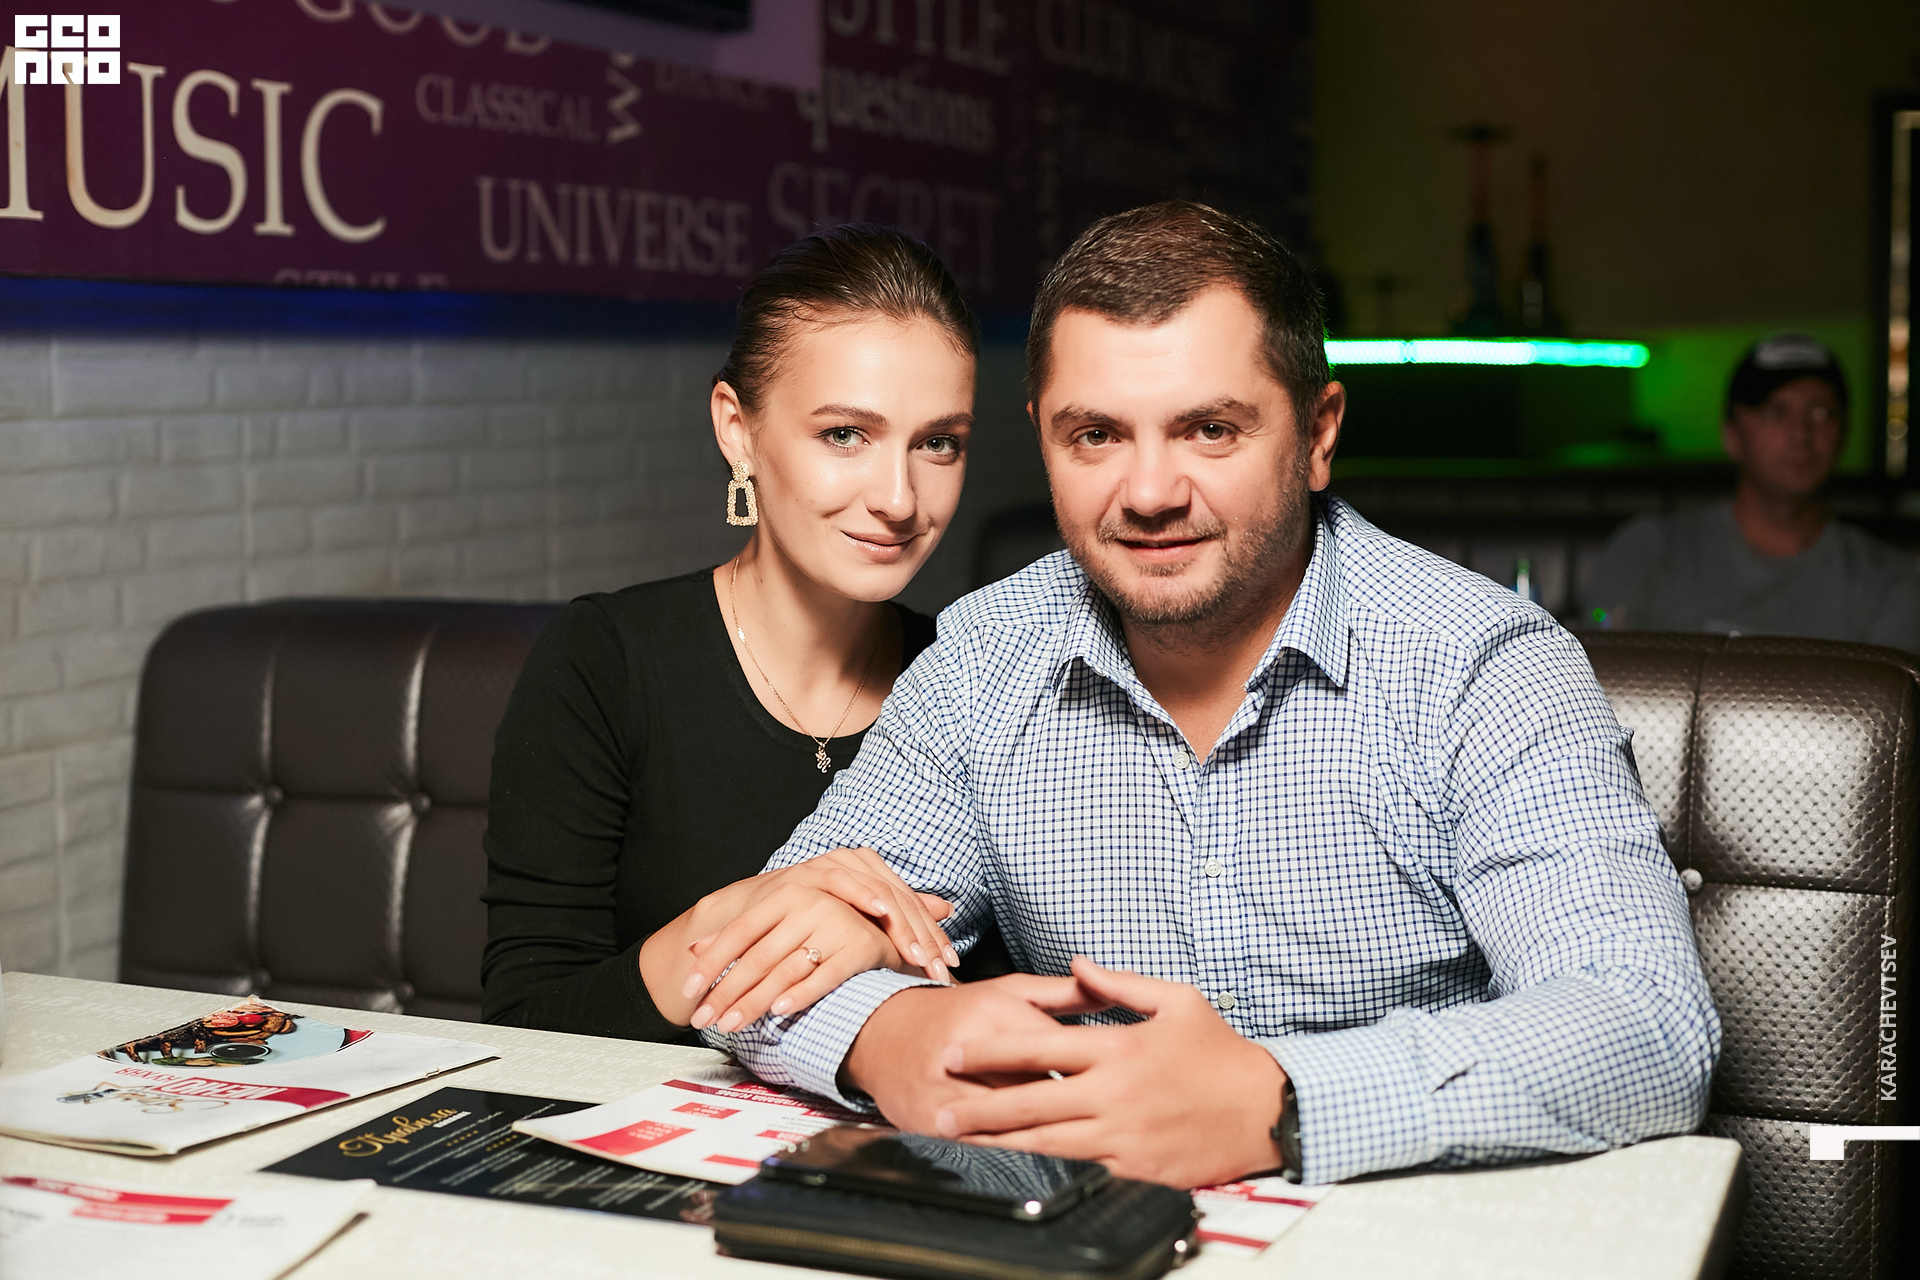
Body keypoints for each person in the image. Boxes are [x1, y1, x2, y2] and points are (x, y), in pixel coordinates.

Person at [664, 201, 1719, 1190]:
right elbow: (756, 957)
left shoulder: (1484, 667)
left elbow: (1647, 1025)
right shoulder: (986, 660)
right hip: (1085, 1224)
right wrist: (887, 1034)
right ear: (1044, 437)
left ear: (1318, 434)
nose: (1150, 492)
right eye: (1096, 435)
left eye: (1210, 429)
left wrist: (1278, 1100)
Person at [481, 225, 991, 1042]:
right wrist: (746, 919)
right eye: (845, 435)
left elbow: (1009, 1002)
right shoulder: (606, 662)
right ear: (737, 429)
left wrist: (882, 950)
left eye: (938, 444)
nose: (898, 498)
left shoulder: (976, 682)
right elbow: (526, 1025)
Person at [1588, 333, 1920, 648]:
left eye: (1821, 413)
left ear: (1843, 432)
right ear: (1732, 434)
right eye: (1775, 412)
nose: (1801, 434)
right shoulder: (1647, 551)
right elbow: (1599, 667)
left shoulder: (1890, 581)